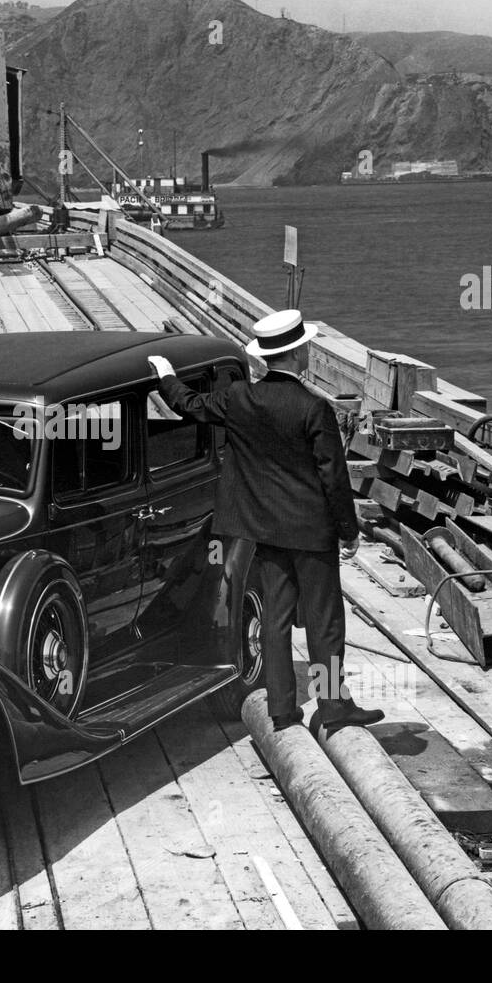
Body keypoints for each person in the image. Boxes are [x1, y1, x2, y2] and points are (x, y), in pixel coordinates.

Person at [148, 309, 383, 732]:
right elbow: (334, 478)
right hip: (312, 535)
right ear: (298, 354)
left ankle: (281, 709)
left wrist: (165, 374)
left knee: (274, 620)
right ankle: (331, 708)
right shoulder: (314, 408)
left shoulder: (239, 399)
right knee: (324, 624)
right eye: (307, 347)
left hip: (267, 532)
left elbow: (189, 405)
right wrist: (349, 532)